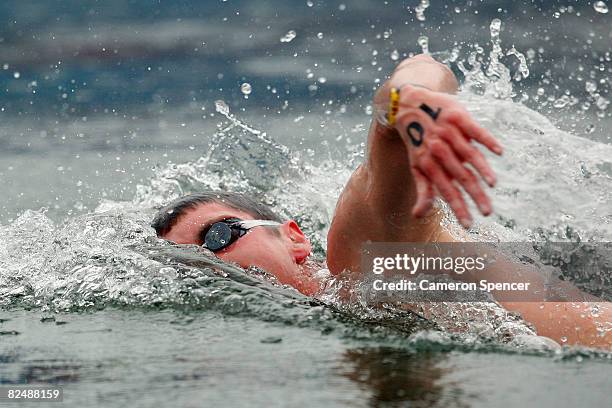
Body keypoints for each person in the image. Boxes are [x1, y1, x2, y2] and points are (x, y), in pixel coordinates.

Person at [152, 54, 611, 349]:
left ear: (294, 237)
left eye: (217, 236)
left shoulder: (359, 260)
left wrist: (413, 100)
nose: (211, 267)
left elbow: (413, 81)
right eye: (186, 266)